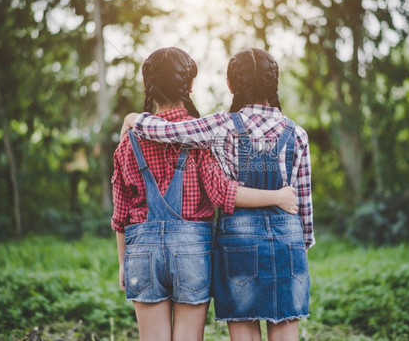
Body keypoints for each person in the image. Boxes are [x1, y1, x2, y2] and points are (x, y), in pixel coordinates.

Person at [122, 48, 313, 341]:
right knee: (285, 329)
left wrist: (134, 118)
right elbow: (303, 202)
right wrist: (302, 244)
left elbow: (169, 132)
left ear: (231, 85)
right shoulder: (297, 133)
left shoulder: (221, 125)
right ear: (274, 84)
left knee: (244, 326)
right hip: (287, 242)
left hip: (237, 241)